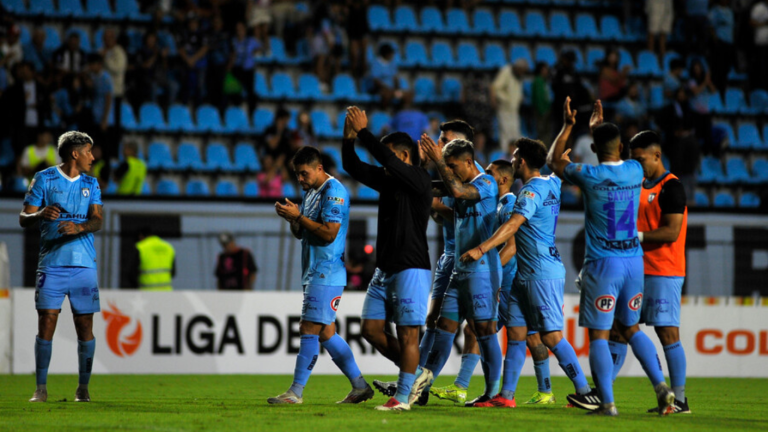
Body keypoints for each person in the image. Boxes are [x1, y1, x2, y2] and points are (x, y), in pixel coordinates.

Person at [546, 98, 675, 416]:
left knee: (599, 336)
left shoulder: (588, 174)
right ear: (622, 148)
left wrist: (567, 126)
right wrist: (600, 130)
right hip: (634, 262)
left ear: (593, 147)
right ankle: (662, 388)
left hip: (603, 264)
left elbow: (553, 162)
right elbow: (625, 156)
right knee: (632, 329)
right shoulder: (634, 170)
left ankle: (607, 403)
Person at [459, 137, 593, 408]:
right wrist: (566, 128)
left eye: (514, 155)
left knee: (551, 336)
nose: (511, 159)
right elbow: (557, 164)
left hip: (540, 272)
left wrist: (482, 249)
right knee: (517, 334)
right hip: (526, 273)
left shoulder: (530, 192)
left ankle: (586, 391)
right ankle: (506, 396)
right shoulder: (551, 181)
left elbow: (515, 225)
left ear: (521, 161)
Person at [342, 106, 433, 411]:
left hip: (411, 268)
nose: (381, 163)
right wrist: (348, 137)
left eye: (390, 156)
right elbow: (352, 166)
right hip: (384, 270)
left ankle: (403, 397)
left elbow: (384, 159)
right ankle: (417, 373)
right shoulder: (387, 181)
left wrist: (365, 132)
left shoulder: (420, 179)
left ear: (404, 157)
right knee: (370, 330)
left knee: (408, 335)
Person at [269, 146, 373, 404]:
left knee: (308, 328)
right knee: (326, 333)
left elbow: (328, 234)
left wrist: (299, 217)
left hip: (326, 272)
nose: (300, 179)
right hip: (313, 271)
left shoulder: (334, 191)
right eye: (297, 175)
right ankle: (360, 386)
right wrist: (293, 219)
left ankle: (295, 392)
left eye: (304, 173)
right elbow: (303, 233)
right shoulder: (312, 193)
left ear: (319, 168)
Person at [602, 131, 690, 414]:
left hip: (664, 269)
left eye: (642, 160)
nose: (638, 165)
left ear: (657, 155)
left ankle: (680, 401)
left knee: (667, 332)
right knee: (617, 329)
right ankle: (604, 394)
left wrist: (634, 236)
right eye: (633, 159)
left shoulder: (672, 187)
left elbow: (672, 231)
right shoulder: (637, 183)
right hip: (634, 268)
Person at [418, 136, 504, 407]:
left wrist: (438, 162)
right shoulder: (460, 182)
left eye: (453, 166)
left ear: (469, 162)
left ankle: (492, 393)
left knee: (484, 329)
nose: (450, 171)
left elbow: (455, 191)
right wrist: (412, 176)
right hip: (459, 268)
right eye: (448, 167)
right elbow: (438, 191)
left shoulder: (486, 183)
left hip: (482, 271)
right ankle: (421, 385)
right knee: (444, 325)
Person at [20, 131, 103, 403]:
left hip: (83, 266)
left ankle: (83, 388)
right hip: (51, 265)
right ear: (74, 153)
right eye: (89, 151)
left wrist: (79, 226)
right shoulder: (44, 179)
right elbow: (24, 217)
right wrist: (41, 213)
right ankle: (40, 388)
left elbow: (98, 221)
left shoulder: (92, 183)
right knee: (46, 322)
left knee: (84, 325)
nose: (93, 156)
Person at [491, 58, 526, 154]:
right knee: (506, 134)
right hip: (504, 108)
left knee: (515, 133)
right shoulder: (506, 71)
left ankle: (514, 156)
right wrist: (505, 99)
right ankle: (506, 157)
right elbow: (496, 87)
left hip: (514, 109)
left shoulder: (518, 76)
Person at [229, 21, 261, 113]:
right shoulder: (233, 41)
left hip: (248, 69)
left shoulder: (251, 40)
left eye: (241, 29)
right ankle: (236, 110)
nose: (239, 31)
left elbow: (259, 48)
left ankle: (252, 112)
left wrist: (254, 53)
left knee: (250, 92)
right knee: (235, 92)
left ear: (245, 30)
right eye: (237, 29)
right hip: (236, 69)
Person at [133, 227, 175, 291]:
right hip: (166, 293)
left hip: (146, 293)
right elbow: (173, 272)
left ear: (141, 236)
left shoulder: (139, 247)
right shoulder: (169, 247)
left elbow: (132, 273)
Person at [709, 0, 735, 92]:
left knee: (726, 69)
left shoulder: (730, 11)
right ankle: (716, 89)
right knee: (718, 68)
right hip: (720, 43)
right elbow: (711, 27)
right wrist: (716, 40)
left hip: (729, 43)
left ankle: (723, 88)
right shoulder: (715, 10)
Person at [368, 43, 403, 108]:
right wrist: (386, 88)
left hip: (392, 90)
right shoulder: (375, 63)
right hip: (380, 90)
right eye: (390, 53)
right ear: (386, 53)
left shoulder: (392, 63)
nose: (392, 55)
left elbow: (395, 78)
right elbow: (375, 80)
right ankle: (384, 112)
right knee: (386, 95)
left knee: (409, 95)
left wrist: (397, 89)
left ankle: (402, 114)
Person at [532, 62, 552, 147]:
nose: (547, 71)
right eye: (545, 69)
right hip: (542, 111)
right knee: (542, 132)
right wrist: (542, 110)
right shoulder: (538, 81)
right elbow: (539, 97)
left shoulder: (544, 81)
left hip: (547, 110)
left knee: (547, 132)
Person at [751, 0, 768, 89]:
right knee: (762, 68)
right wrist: (764, 23)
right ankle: (761, 89)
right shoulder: (758, 8)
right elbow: (752, 22)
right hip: (761, 43)